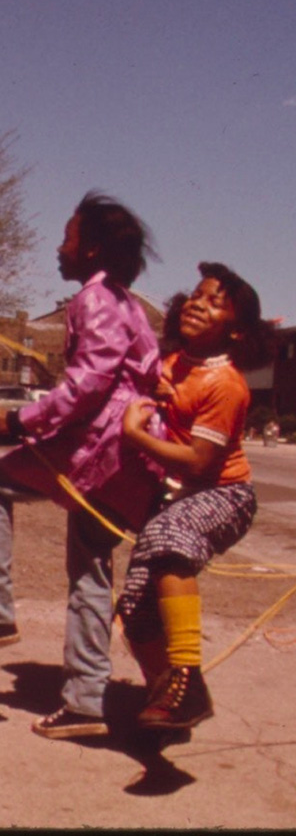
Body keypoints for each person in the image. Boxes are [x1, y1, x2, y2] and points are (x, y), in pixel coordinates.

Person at [0, 192, 164, 740]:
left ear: (91, 251)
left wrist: (19, 421)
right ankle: (86, 701)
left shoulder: (95, 300)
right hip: (128, 453)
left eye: (67, 237)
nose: (58, 248)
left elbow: (89, 384)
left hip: (99, 446)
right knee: (89, 566)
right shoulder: (130, 303)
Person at [117, 263, 276, 730]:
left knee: (169, 538)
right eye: (196, 294)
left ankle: (187, 679)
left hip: (224, 493)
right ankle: (163, 700)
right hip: (179, 495)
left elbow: (202, 463)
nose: (197, 304)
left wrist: (136, 437)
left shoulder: (225, 384)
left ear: (237, 333)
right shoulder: (170, 363)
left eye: (214, 303)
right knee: (135, 608)